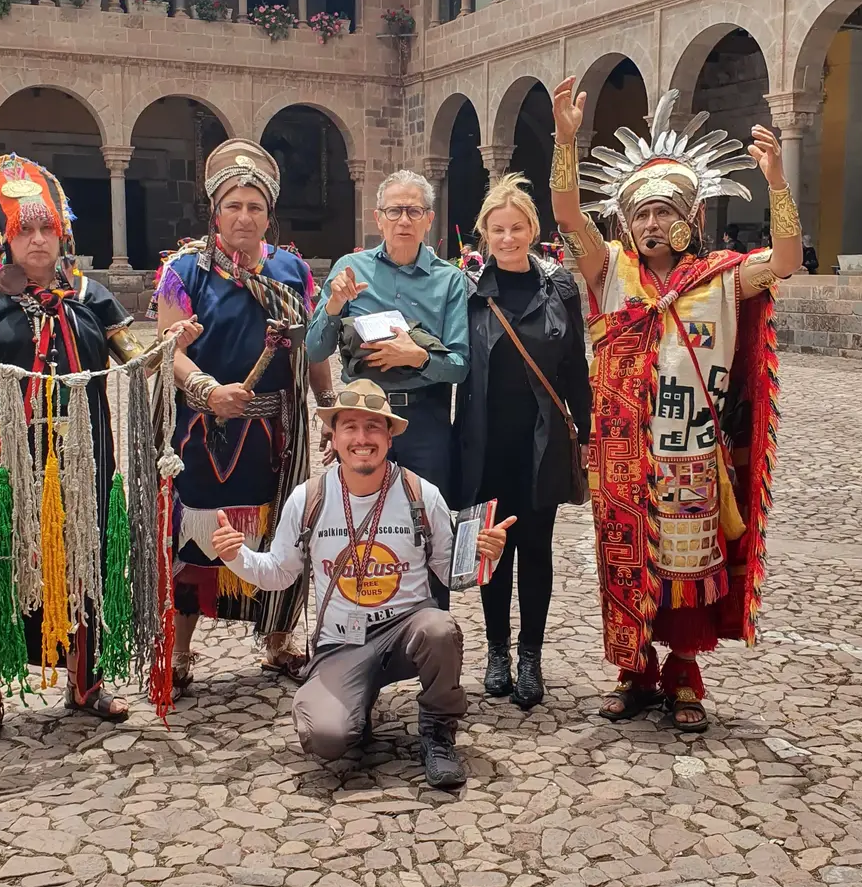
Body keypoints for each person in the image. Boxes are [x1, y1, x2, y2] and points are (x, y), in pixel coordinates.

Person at [550, 79, 801, 734]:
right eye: (641, 215)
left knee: (687, 570)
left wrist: (777, 182)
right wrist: (566, 142)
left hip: (691, 452)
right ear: (626, 224)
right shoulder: (608, 271)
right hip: (623, 453)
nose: (653, 224)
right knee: (625, 563)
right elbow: (567, 215)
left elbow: (787, 260)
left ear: (690, 217)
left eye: (665, 212)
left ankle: (683, 670)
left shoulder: (722, 277)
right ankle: (634, 670)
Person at [0, 153, 165, 747]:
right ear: (5, 240)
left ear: (62, 235)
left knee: (84, 558)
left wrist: (172, 345)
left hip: (83, 457)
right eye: (24, 230)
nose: (36, 239)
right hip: (4, 465)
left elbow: (134, 359)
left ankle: (85, 683)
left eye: (46, 229)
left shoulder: (91, 297)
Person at [209, 379, 514, 789]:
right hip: (341, 642)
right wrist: (235, 555)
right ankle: (355, 700)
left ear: (390, 437)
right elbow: (279, 572)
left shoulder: (420, 494)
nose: (362, 438)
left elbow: (449, 573)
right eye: (349, 427)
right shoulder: (309, 498)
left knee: (440, 628)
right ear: (333, 437)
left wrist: (483, 555)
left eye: (373, 427)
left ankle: (438, 733)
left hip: (407, 632)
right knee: (326, 738)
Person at [153, 140, 334, 689]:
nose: (244, 216)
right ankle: (180, 650)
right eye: (233, 205)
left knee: (282, 532)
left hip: (275, 433)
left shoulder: (292, 270)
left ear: (269, 214)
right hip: (204, 433)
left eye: (255, 206)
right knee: (194, 537)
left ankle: (277, 640)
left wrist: (327, 406)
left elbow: (312, 347)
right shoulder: (185, 271)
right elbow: (168, 351)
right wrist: (207, 391)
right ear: (215, 211)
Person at [453, 174, 592, 711]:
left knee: (535, 548)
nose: (507, 238)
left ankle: (529, 655)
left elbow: (575, 367)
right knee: (493, 548)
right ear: (484, 233)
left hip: (542, 442)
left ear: (532, 229)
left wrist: (586, 434)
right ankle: (496, 652)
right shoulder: (468, 290)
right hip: (485, 443)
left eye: (516, 228)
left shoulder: (560, 288)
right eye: (498, 229)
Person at [308, 171, 468, 502]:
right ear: (378, 218)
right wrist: (334, 305)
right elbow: (315, 350)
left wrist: (418, 357)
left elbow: (459, 366)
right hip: (362, 416)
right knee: (359, 513)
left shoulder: (450, 280)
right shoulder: (350, 269)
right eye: (394, 211)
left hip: (424, 421)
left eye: (414, 211)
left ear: (429, 219)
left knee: (424, 516)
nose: (403, 220)